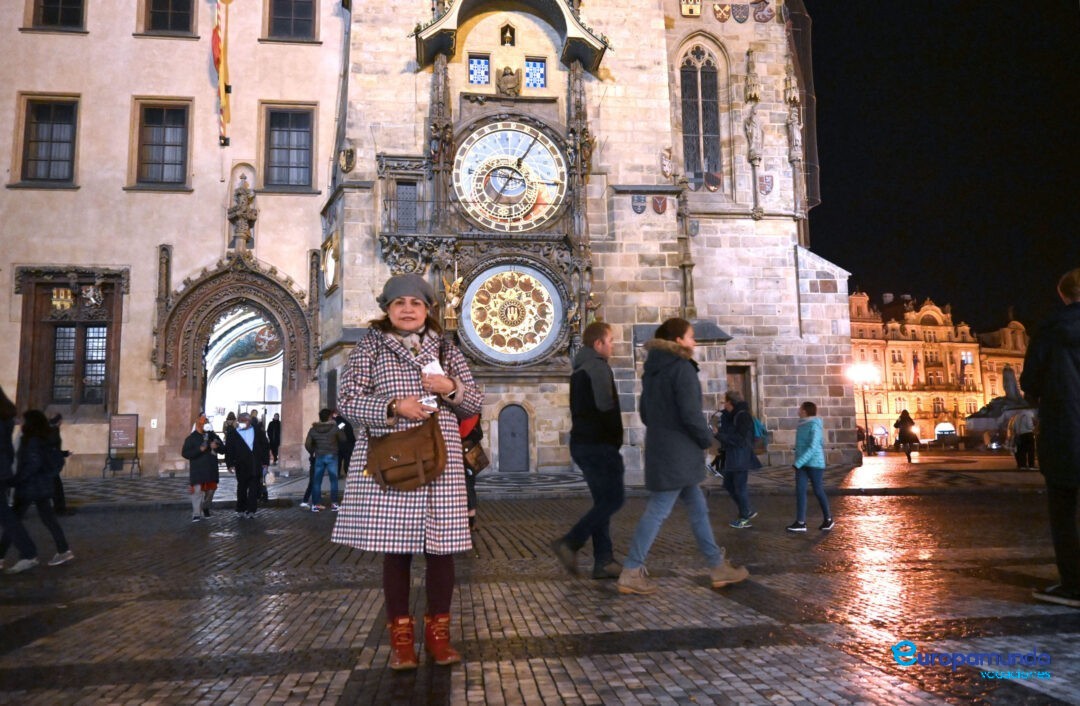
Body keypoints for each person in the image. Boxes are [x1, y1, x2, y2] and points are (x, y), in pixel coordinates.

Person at [331, 274, 483, 670]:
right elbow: (347, 400)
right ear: (387, 309)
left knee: (442, 550)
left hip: (440, 461)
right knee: (396, 551)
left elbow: (474, 402)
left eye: (416, 303)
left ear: (427, 309)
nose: (408, 309)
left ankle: (438, 635)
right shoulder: (370, 347)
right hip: (393, 459)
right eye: (399, 303)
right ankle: (401, 640)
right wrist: (395, 406)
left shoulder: (446, 348)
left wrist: (450, 387)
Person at [617, 318, 749, 595]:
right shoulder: (681, 368)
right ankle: (631, 570)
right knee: (658, 510)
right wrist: (707, 440)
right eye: (690, 336)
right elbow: (691, 414)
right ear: (678, 340)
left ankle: (717, 566)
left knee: (698, 509)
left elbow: (645, 413)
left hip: (663, 448)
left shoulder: (652, 371)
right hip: (679, 454)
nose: (694, 341)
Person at [1020, 267, 1080, 608]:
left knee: (1064, 511)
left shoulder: (1052, 328)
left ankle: (1074, 585)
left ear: (1064, 295)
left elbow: (1030, 381)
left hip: (1066, 430)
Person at [551, 321, 626, 580]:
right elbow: (606, 408)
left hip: (583, 443)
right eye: (610, 341)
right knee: (614, 500)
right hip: (599, 444)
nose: (613, 346)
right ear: (598, 343)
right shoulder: (597, 367)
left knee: (603, 502)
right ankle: (570, 543)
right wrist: (615, 442)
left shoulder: (579, 368)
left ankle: (604, 560)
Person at [0, 410, 73, 570]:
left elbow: (32, 464)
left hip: (29, 486)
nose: (21, 423)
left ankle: (6, 555)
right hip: (41, 486)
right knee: (48, 520)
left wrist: (16, 480)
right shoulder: (44, 438)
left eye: (24, 420)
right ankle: (64, 550)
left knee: (12, 521)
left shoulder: (31, 440)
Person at [0, 386, 39, 574]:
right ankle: (27, 552)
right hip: (3, 469)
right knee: (5, 515)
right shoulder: (6, 418)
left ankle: (28, 553)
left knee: (6, 515)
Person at [786, 401, 834, 532]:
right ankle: (800, 522)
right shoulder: (801, 424)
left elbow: (813, 446)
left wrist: (798, 463)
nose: (798, 410)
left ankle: (828, 519)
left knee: (818, 490)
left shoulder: (814, 425)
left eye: (800, 408)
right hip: (802, 464)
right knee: (800, 491)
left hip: (814, 463)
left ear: (804, 411)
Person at [716, 389, 760, 528]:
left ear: (730, 402)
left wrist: (719, 435)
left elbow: (740, 439)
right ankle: (747, 510)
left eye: (725, 402)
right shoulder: (730, 415)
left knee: (740, 487)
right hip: (732, 457)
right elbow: (728, 432)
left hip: (741, 457)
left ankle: (744, 517)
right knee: (728, 484)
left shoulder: (743, 416)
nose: (724, 404)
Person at [224, 412, 269, 518]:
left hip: (255, 465)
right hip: (241, 465)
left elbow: (265, 447)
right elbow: (229, 450)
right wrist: (230, 464)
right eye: (240, 421)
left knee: (254, 488)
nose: (242, 423)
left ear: (249, 421)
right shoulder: (233, 433)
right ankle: (241, 508)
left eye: (244, 421)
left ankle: (252, 510)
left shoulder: (258, 431)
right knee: (242, 488)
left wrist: (265, 462)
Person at [182, 413, 222, 522]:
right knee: (197, 492)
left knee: (210, 492)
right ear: (198, 423)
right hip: (198, 470)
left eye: (206, 421)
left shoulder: (212, 436)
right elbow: (185, 453)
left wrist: (216, 446)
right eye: (203, 421)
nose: (204, 423)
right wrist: (199, 450)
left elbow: (223, 449)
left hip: (211, 470)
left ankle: (205, 507)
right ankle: (196, 513)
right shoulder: (191, 438)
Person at [304, 408, 344, 512]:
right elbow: (343, 439)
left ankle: (316, 504)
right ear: (330, 417)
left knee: (317, 481)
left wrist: (313, 451)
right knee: (333, 481)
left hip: (319, 456)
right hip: (332, 456)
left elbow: (307, 444)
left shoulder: (313, 429)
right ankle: (334, 504)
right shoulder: (335, 428)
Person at [47, 414, 72, 515]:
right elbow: (53, 449)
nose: (62, 422)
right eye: (61, 420)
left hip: (51, 464)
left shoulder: (49, 430)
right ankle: (60, 509)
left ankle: (59, 509)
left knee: (56, 487)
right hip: (52, 464)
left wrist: (64, 453)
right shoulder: (53, 431)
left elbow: (53, 449)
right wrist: (63, 454)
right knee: (57, 488)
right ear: (59, 421)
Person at [333, 411, 356, 480]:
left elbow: (336, 432)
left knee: (339, 460)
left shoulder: (341, 423)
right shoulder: (345, 422)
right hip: (347, 445)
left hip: (341, 445)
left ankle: (338, 474)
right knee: (347, 460)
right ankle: (348, 474)